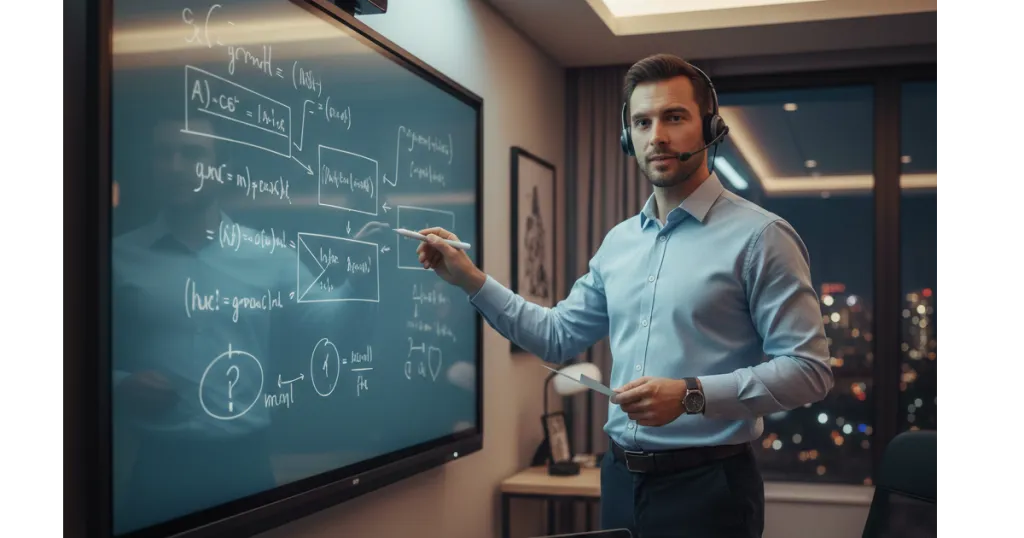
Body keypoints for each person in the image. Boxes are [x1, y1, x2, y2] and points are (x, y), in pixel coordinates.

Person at [416, 53, 834, 538]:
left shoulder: (762, 237)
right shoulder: (618, 243)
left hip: (710, 489)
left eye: (674, 117)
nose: (656, 135)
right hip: (618, 482)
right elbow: (557, 337)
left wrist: (691, 395)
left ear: (710, 128)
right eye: (642, 121)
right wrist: (470, 278)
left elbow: (810, 370)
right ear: (627, 137)